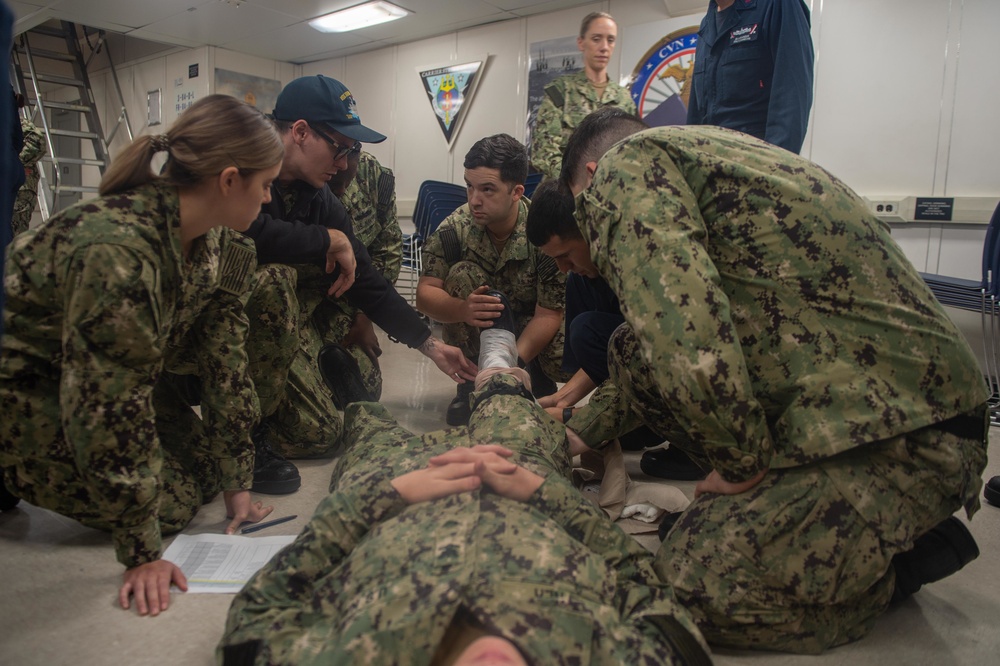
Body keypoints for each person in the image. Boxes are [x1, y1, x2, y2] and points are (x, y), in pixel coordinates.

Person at [537, 106, 987, 652]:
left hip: (910, 433)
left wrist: (739, 465)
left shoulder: (621, 169)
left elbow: (687, 331)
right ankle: (790, 513)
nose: (571, 267)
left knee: (687, 586)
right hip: (873, 402)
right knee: (629, 348)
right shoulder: (710, 157)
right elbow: (657, 350)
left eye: (571, 239)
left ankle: (899, 562)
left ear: (588, 175)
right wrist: (581, 430)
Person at [217, 291, 712, 666]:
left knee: (368, 444)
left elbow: (257, 613)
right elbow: (645, 586)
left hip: (396, 499)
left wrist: (387, 497)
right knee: (506, 405)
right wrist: (545, 496)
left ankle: (355, 405)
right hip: (520, 479)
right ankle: (499, 360)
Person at [0, 95, 283, 616]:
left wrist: (237, 481)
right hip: (29, 397)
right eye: (265, 185)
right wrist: (142, 551)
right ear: (228, 180)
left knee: (201, 470)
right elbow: (103, 404)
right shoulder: (118, 250)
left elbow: (227, 362)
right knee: (167, 504)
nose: (267, 200)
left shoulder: (216, 243)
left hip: (96, 386)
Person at [242, 75, 475, 479]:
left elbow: (368, 279)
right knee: (318, 436)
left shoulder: (319, 197)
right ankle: (250, 432)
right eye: (340, 148)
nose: (345, 163)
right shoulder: (241, 164)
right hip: (237, 324)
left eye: (353, 151)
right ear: (300, 132)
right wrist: (325, 239)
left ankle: (310, 374)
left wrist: (430, 346)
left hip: (295, 319)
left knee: (365, 389)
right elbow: (247, 230)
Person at [417, 133, 566, 426]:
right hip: (477, 333)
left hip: (528, 339)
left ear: (515, 191)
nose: (474, 200)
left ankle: (532, 376)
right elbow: (425, 294)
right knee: (461, 274)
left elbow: (549, 313)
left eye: (487, 189)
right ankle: (471, 385)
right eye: (469, 186)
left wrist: (508, 365)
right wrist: (462, 309)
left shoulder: (542, 232)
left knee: (566, 344)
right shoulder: (454, 230)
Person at [314, 147, 402, 401]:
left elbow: (388, 248)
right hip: (298, 297)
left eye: (347, 183)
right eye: (335, 185)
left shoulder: (374, 177)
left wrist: (365, 316)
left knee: (367, 386)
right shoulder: (299, 172)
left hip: (344, 301)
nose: (340, 192)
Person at [686, 0, 814, 154]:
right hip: (710, 163)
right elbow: (696, 114)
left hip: (754, 162)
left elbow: (792, 94)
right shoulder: (706, 25)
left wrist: (775, 166)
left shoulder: (777, 4)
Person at [530, 11, 635, 181]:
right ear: (581, 43)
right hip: (563, 193)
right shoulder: (561, 91)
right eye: (596, 39)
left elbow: (631, 150)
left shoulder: (624, 99)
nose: (604, 47)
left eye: (610, 40)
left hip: (607, 194)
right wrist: (576, 180)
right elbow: (542, 150)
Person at [11, 112, 45, 236]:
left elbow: (37, 141)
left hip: (19, 191)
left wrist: (14, 165)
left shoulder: (9, 118)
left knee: (14, 237)